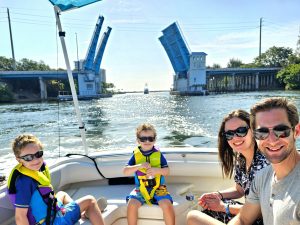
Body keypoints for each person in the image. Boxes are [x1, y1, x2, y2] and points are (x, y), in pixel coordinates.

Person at [187, 109, 269, 225]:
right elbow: (239, 190)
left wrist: (223, 207)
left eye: (241, 131)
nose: (235, 138)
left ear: (253, 130)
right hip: (250, 217)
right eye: (229, 134)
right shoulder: (242, 159)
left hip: (263, 220)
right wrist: (217, 195)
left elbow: (264, 211)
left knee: (193, 217)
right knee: (209, 209)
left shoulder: (264, 164)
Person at [228, 97, 300, 225]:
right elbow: (243, 219)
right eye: (262, 133)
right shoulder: (263, 177)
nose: (272, 140)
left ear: (296, 131)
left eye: (281, 131)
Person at [7, 134, 105, 225]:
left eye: (38, 154)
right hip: (51, 221)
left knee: (62, 194)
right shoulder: (24, 182)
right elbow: (20, 217)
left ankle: (82, 213)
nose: (36, 160)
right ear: (18, 159)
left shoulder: (34, 170)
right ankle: (86, 212)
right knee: (90, 200)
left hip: (51, 213)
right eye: (28, 157)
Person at [123, 123, 175, 225]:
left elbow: (167, 171)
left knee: (167, 205)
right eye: (143, 138)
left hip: (158, 187)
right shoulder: (135, 156)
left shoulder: (159, 155)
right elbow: (125, 171)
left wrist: (157, 170)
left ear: (154, 140)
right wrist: (139, 166)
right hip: (141, 188)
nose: (147, 141)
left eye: (150, 138)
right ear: (138, 140)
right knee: (132, 204)